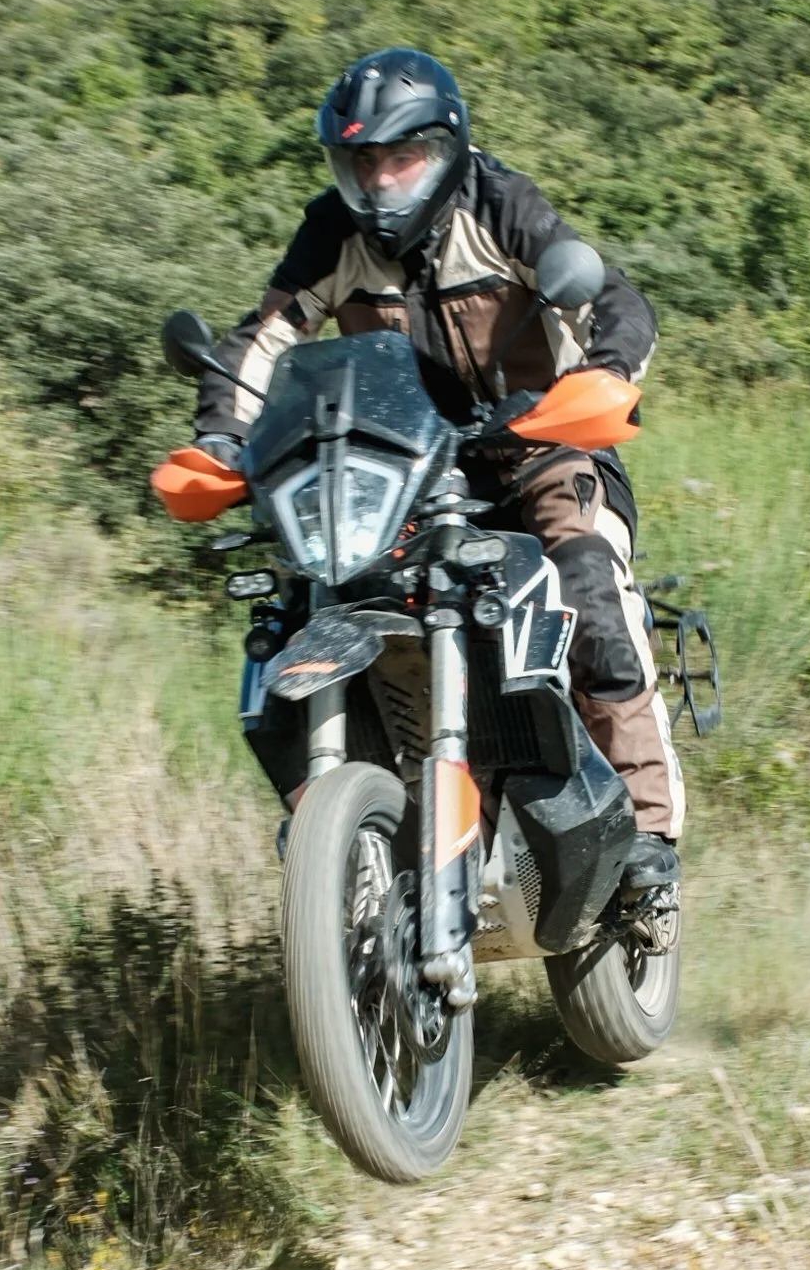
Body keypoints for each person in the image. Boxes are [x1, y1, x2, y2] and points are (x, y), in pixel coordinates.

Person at [191, 46, 683, 895]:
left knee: (587, 579)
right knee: (300, 605)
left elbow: (612, 297)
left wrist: (602, 374)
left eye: (402, 159)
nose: (381, 182)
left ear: (446, 150)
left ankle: (647, 830)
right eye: (363, 163)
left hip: (541, 448)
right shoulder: (332, 233)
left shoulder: (500, 203)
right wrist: (219, 440)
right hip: (404, 469)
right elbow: (264, 337)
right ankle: (346, 831)